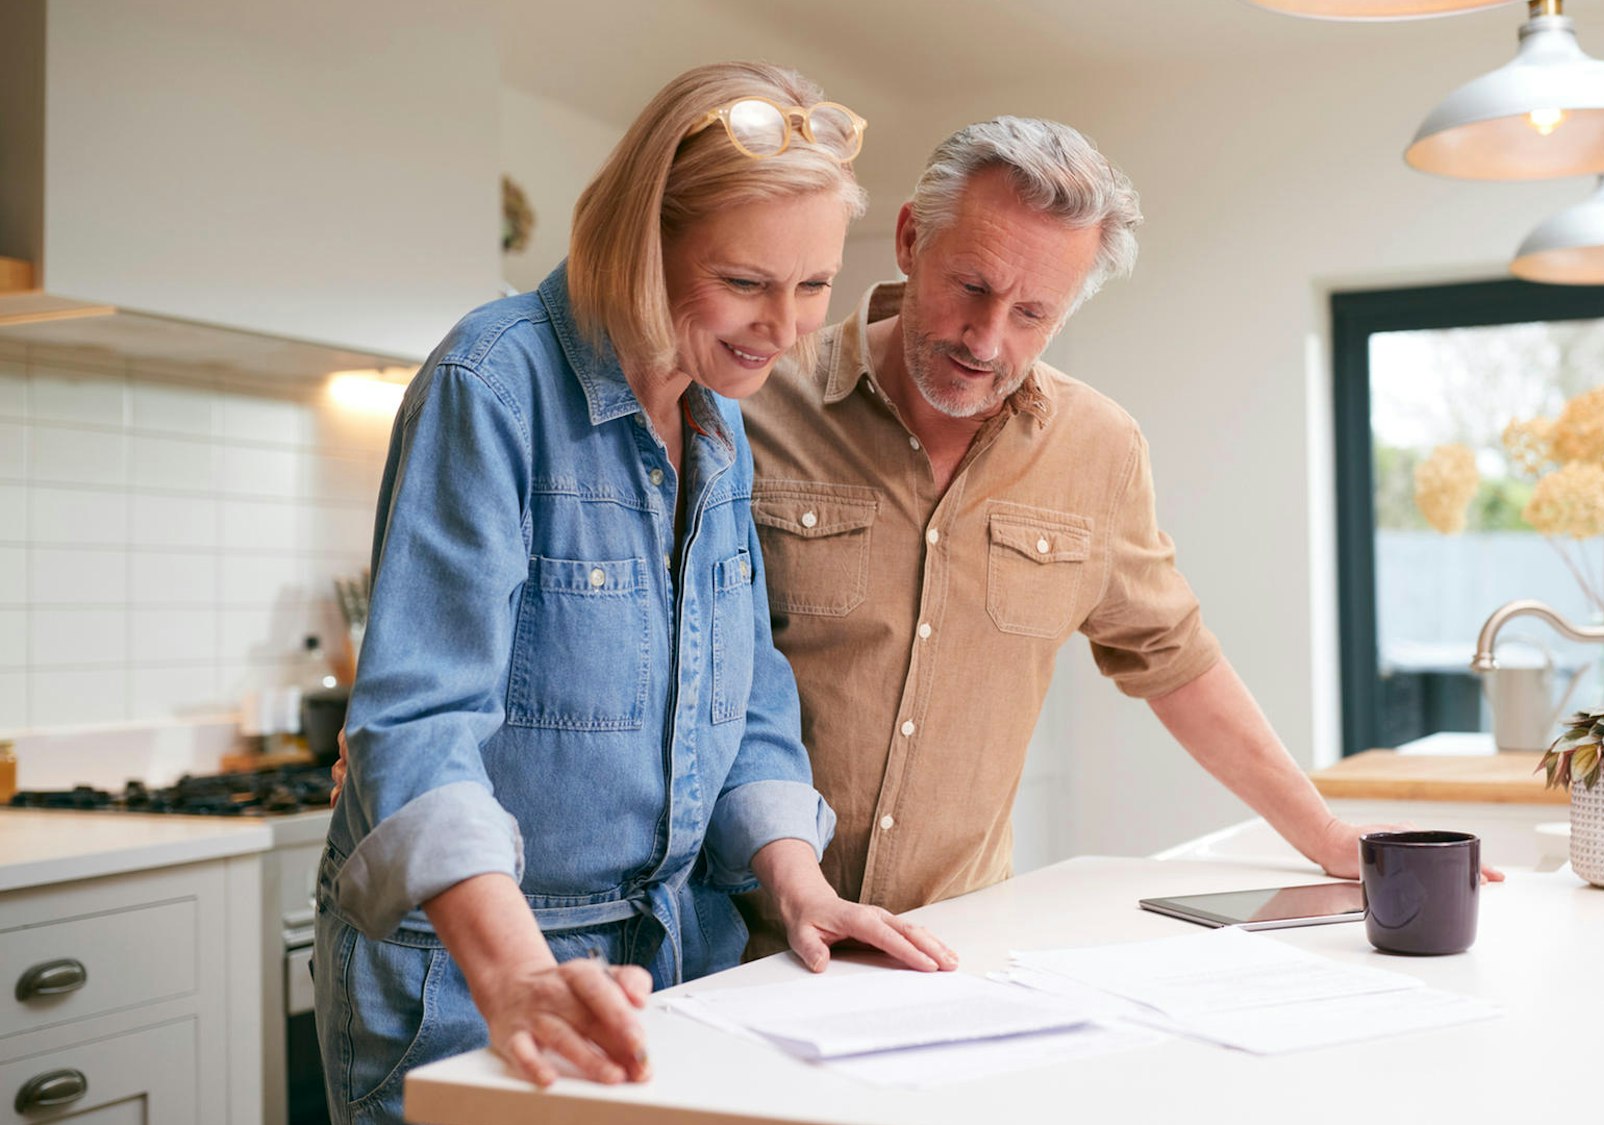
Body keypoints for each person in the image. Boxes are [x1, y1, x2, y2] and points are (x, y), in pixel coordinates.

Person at [315, 62, 954, 1125]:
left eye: (813, 287)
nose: (785, 328)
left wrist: (801, 888)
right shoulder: (491, 384)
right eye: (746, 284)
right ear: (638, 241)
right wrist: (517, 974)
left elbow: (744, 709)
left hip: (671, 958)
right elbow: (418, 724)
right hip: (475, 976)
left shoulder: (717, 419)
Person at [737, 116, 1501, 946]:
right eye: (972, 287)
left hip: (951, 943)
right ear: (911, 237)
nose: (988, 340)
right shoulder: (755, 401)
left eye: (1033, 312)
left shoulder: (1097, 449)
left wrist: (1324, 835)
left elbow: (1175, 661)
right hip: (745, 938)